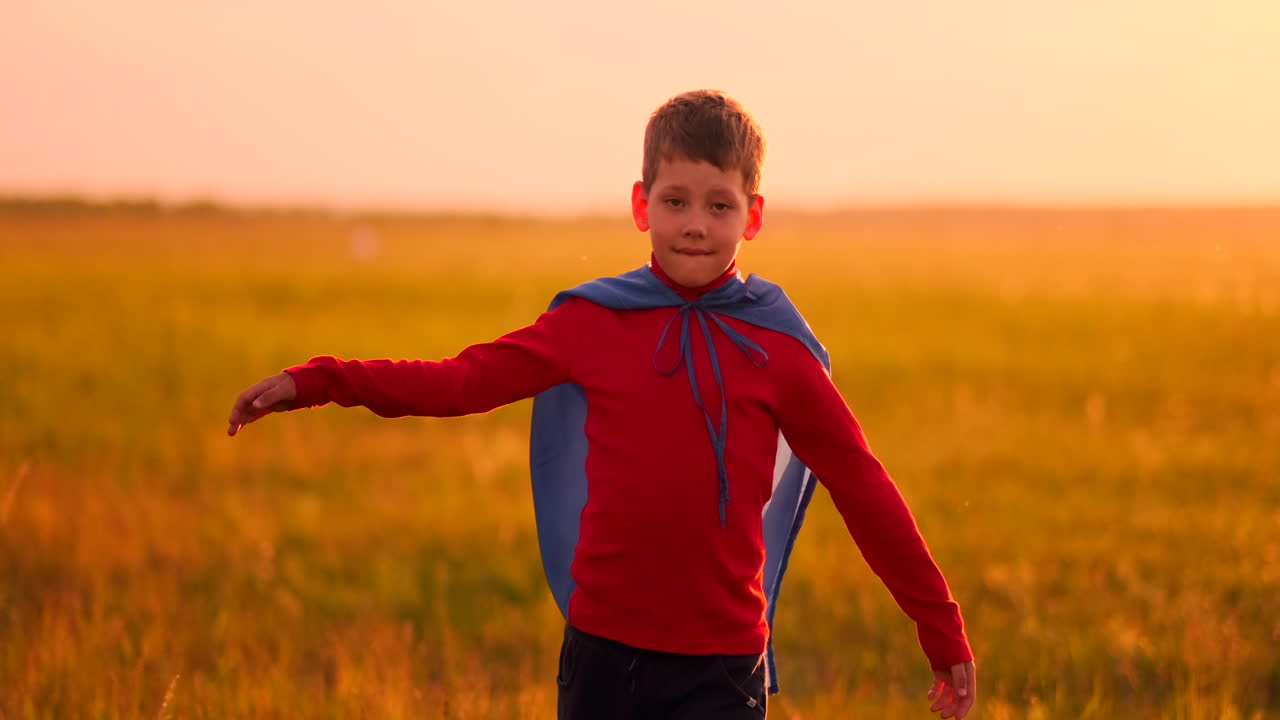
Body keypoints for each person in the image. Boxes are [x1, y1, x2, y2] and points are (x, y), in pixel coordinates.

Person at [227, 89, 976, 720]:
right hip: (604, 660)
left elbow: (862, 485)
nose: (694, 223)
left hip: (722, 668)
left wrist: (940, 627)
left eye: (718, 205)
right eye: (675, 200)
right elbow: (462, 382)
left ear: (752, 215)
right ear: (641, 204)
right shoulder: (593, 321)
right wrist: (319, 381)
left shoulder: (777, 349)